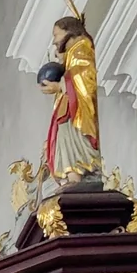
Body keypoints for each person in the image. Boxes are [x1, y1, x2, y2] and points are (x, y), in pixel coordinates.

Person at [40, 12, 102, 182]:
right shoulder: (72, 53)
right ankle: (73, 176)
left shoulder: (81, 47)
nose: (54, 41)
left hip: (75, 112)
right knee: (65, 136)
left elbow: (85, 75)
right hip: (67, 110)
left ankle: (78, 174)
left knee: (72, 136)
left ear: (69, 32)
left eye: (56, 35)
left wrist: (60, 85)